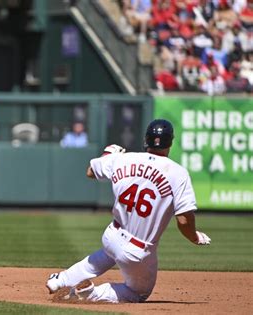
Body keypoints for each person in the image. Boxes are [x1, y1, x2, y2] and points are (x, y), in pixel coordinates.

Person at [46, 119, 211, 303]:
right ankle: (90, 294)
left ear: (146, 140)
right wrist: (194, 237)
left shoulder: (123, 159)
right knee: (138, 293)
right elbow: (184, 220)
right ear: (170, 142)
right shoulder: (178, 173)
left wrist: (108, 154)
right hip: (138, 250)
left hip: (112, 234)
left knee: (107, 254)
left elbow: (91, 172)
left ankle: (59, 280)